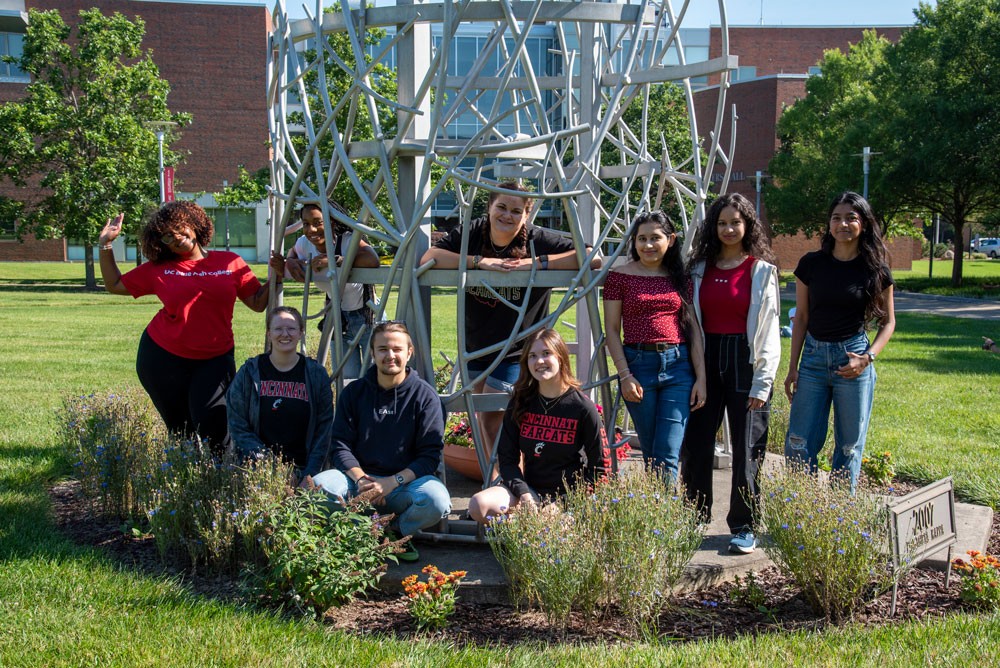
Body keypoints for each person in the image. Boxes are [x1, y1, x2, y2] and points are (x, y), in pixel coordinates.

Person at [420, 181, 599, 465]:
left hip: (519, 349)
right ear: (489, 207)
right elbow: (430, 257)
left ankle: (508, 484)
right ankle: (504, 482)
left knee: (494, 420)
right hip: (476, 346)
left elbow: (592, 256)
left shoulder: (535, 240)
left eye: (517, 211)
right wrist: (479, 262)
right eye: (501, 207)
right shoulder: (472, 233)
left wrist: (534, 264)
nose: (507, 215)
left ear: (527, 215)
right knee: (483, 419)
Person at [98, 201, 271, 452]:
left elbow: (257, 303)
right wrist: (106, 244)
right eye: (168, 236)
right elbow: (114, 285)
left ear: (194, 224)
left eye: (180, 228)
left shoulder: (230, 262)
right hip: (162, 358)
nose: (177, 238)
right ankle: (187, 483)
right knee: (182, 431)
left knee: (216, 428)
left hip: (215, 357)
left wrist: (279, 274)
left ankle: (218, 482)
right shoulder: (160, 269)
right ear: (162, 243)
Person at [682, 193, 781, 554]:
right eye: (722, 223)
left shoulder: (761, 270)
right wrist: (697, 373)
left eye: (735, 223)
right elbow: (690, 323)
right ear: (713, 226)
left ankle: (744, 525)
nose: (728, 229)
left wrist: (763, 381)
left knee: (747, 448)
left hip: (746, 361)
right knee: (696, 444)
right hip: (704, 361)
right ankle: (693, 518)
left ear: (747, 226)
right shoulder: (697, 269)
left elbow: (769, 330)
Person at [311, 320, 451, 561]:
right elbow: (340, 445)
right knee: (318, 489)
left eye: (397, 349)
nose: (390, 355)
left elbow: (429, 457)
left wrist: (390, 483)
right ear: (373, 352)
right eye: (383, 349)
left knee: (437, 500)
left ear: (409, 352)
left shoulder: (425, 397)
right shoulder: (354, 393)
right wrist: (363, 480)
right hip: (357, 482)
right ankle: (361, 531)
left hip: (403, 485)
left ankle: (394, 533)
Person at [784, 191, 896, 492]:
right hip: (813, 362)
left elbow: (889, 323)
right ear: (828, 223)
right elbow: (802, 318)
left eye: (851, 218)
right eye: (836, 218)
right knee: (798, 442)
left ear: (864, 224)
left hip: (854, 360)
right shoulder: (811, 264)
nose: (842, 224)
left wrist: (867, 358)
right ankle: (798, 513)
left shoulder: (876, 270)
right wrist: (792, 367)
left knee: (849, 447)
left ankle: (837, 516)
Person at [604, 210, 707, 481]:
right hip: (638, 367)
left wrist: (701, 378)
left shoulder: (680, 278)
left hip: (679, 367)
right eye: (642, 239)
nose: (648, 245)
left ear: (671, 240)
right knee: (652, 453)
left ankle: (668, 521)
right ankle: (660, 517)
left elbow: (693, 328)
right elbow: (612, 331)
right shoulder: (619, 277)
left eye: (655, 238)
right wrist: (625, 376)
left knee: (669, 451)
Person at [468, 329, 608, 522]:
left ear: (561, 358)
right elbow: (507, 461)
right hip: (529, 492)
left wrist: (564, 503)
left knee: (551, 523)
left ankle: (531, 533)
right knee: (479, 506)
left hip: (568, 498)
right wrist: (525, 494)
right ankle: (526, 530)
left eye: (546, 354)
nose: (539, 361)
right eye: (532, 356)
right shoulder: (521, 402)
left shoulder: (582, 408)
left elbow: (599, 469)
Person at [270, 200, 380, 378]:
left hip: (367, 316)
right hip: (338, 319)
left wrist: (336, 260)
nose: (311, 230)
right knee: (346, 379)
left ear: (332, 222)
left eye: (317, 223)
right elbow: (293, 252)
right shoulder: (305, 243)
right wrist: (290, 261)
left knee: (374, 377)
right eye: (306, 224)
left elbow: (372, 259)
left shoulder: (347, 240)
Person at [227, 306, 333, 481]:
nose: (285, 334)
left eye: (291, 328)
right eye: (278, 329)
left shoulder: (316, 374)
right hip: (259, 471)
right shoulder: (249, 373)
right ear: (269, 334)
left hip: (305, 469)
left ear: (301, 333)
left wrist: (310, 475)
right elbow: (237, 425)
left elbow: (324, 429)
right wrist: (273, 468)